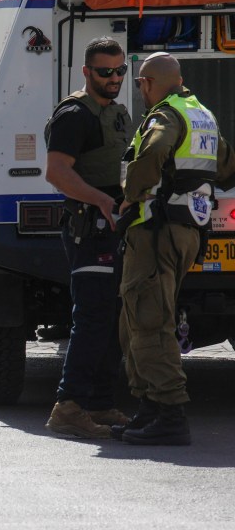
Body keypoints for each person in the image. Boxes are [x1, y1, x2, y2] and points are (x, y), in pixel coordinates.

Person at [114, 52, 235, 446]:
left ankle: (169, 413)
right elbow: (227, 165)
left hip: (156, 229)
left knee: (150, 321)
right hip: (188, 230)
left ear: (148, 82)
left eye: (139, 83)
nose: (140, 90)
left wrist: (131, 195)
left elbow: (153, 152)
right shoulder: (202, 114)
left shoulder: (165, 115)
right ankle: (148, 409)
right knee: (140, 317)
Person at [43, 37, 132, 439]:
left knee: (112, 317)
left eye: (119, 71)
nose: (113, 79)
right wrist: (101, 202)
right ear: (86, 72)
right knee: (92, 317)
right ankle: (69, 406)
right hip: (90, 227)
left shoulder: (116, 113)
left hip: (113, 226)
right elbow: (57, 173)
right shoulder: (74, 114)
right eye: (104, 72)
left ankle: (98, 403)